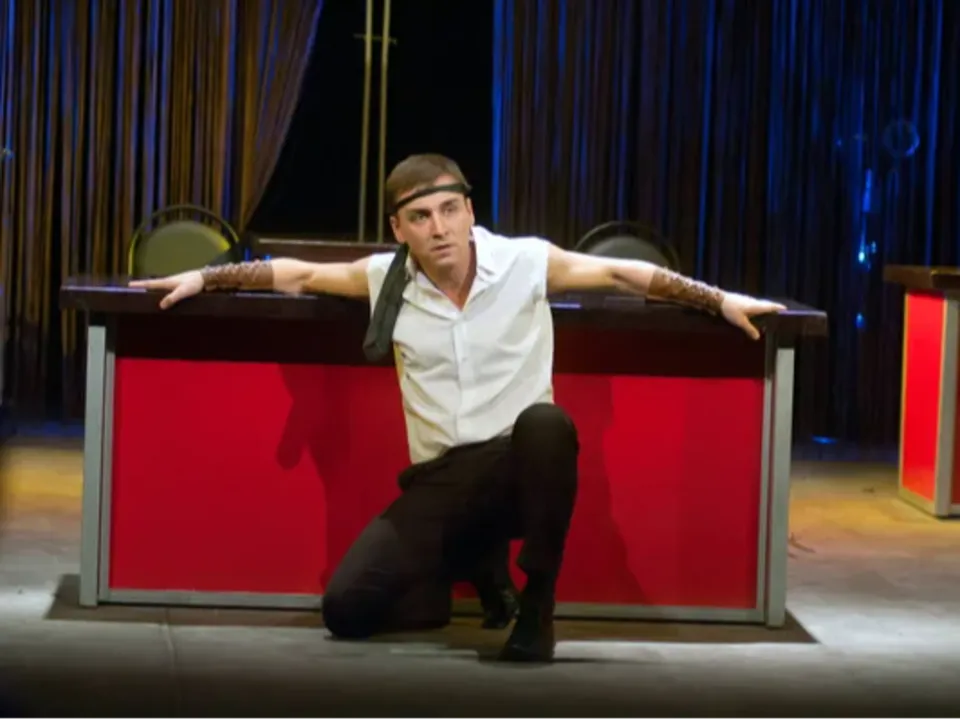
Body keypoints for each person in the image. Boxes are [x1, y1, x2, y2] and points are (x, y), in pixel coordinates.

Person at [129, 154, 785, 663]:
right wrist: (205, 276)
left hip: (520, 463)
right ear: (398, 229)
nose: (439, 228)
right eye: (420, 217)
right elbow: (294, 273)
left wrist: (718, 299)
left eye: (449, 210)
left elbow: (623, 274)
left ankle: (536, 605)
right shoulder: (385, 278)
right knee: (346, 611)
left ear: (470, 211)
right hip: (441, 481)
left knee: (547, 425)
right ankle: (470, 565)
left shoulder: (524, 261)